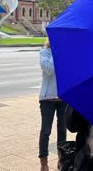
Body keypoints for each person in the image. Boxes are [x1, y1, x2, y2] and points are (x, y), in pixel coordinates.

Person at [39, 41, 67, 171]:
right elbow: (49, 69)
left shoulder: (65, 52)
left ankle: (62, 159)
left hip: (63, 98)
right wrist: (56, 52)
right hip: (47, 99)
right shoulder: (44, 52)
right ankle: (44, 161)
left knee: (62, 131)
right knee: (46, 131)